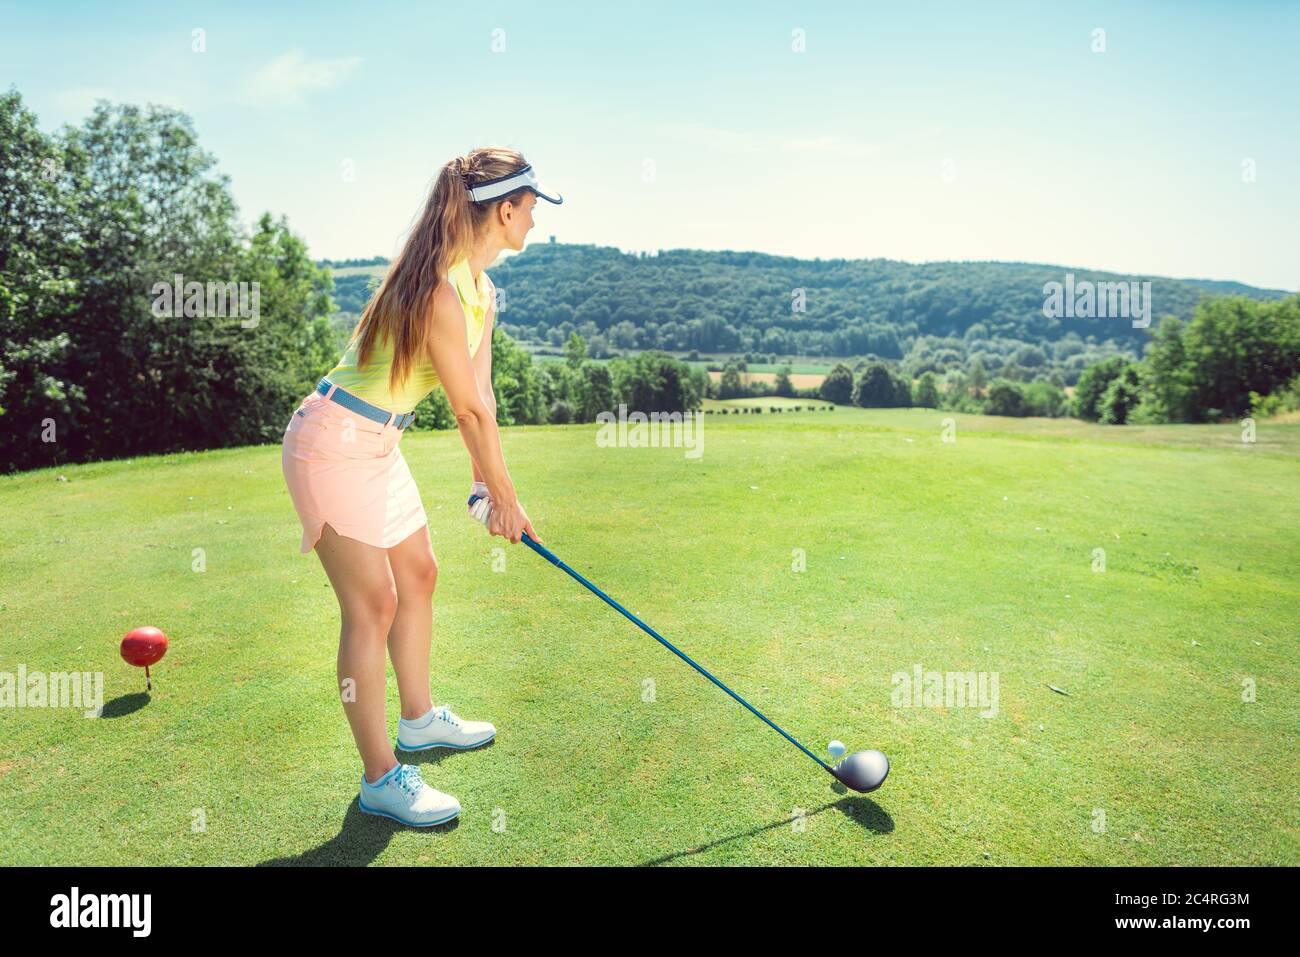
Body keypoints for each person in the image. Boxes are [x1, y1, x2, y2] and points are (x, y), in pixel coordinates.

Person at [280, 148, 562, 826]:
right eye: (530, 209)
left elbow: (481, 395)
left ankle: (418, 720)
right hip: (331, 443)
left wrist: (484, 482)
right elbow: (465, 411)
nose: (534, 222)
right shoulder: (438, 288)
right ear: (503, 209)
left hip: (380, 444)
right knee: (372, 604)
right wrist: (507, 498)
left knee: (420, 573)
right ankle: (381, 777)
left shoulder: (481, 290)